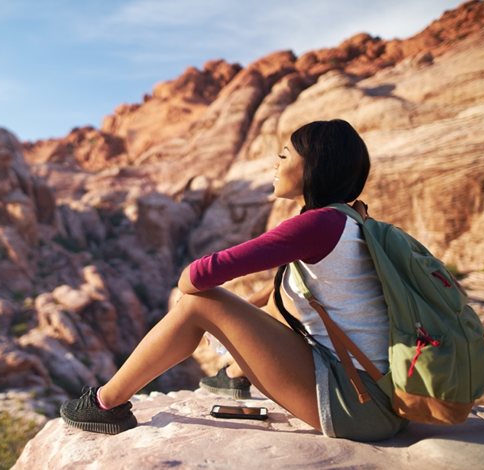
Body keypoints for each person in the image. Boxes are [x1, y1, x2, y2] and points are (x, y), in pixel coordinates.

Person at [60, 119, 409, 441]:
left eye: (284, 155)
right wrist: (236, 340)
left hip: (358, 405)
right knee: (275, 298)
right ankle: (233, 376)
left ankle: (106, 404)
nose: (275, 164)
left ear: (313, 166)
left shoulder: (315, 225)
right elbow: (282, 292)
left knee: (198, 303)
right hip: (381, 397)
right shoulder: (352, 222)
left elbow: (193, 279)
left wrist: (215, 316)